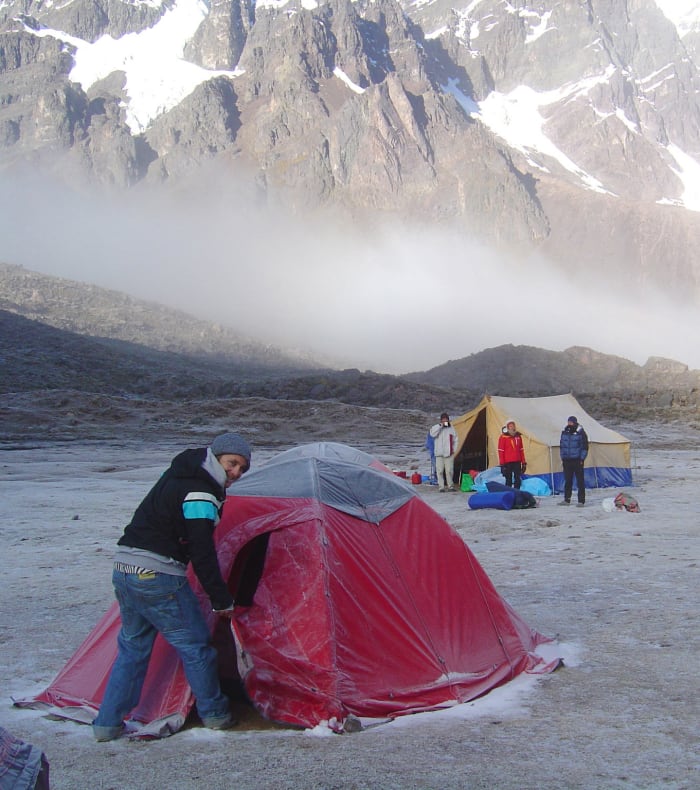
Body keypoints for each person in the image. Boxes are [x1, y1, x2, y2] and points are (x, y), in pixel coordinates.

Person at [92, 431, 252, 742]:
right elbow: (201, 549)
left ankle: (106, 725)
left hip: (124, 568)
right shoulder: (201, 492)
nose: (235, 472)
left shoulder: (179, 472)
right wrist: (221, 599)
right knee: (196, 648)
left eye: (242, 469)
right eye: (232, 463)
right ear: (217, 456)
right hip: (157, 575)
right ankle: (216, 714)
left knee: (133, 649)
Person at [559, 415, 588, 506]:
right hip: (567, 460)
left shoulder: (581, 433)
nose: (569, 424)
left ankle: (581, 500)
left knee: (580, 481)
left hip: (577, 460)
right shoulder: (564, 432)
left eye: (571, 422)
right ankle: (567, 499)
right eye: (568, 422)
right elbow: (562, 446)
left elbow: (585, 447)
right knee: (568, 480)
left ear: (575, 423)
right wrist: (562, 457)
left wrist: (582, 458)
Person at [429, 412, 458, 492]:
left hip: (449, 453)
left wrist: (453, 450)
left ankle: (450, 486)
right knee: (440, 471)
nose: (445, 421)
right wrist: (440, 426)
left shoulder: (451, 428)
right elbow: (432, 434)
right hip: (439, 453)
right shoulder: (436, 427)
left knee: (449, 470)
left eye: (446, 420)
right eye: (443, 420)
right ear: (441, 420)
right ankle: (441, 487)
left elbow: (456, 440)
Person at [498, 419, 527, 489]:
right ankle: (508, 494)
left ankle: (517, 493)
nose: (512, 427)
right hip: (507, 462)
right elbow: (501, 451)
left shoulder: (518, 437)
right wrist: (502, 464)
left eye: (513, 426)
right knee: (508, 479)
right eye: (510, 426)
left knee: (517, 479)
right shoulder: (503, 437)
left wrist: (523, 462)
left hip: (517, 461)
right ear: (507, 428)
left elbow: (521, 450)